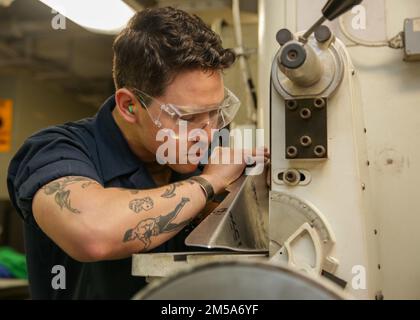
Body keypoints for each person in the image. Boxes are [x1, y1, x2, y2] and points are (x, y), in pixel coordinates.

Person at [7, 7, 268, 300]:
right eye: (188, 118)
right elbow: (91, 233)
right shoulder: (56, 150)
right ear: (130, 106)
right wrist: (207, 184)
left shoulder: (208, 144)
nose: (208, 134)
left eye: (216, 113)